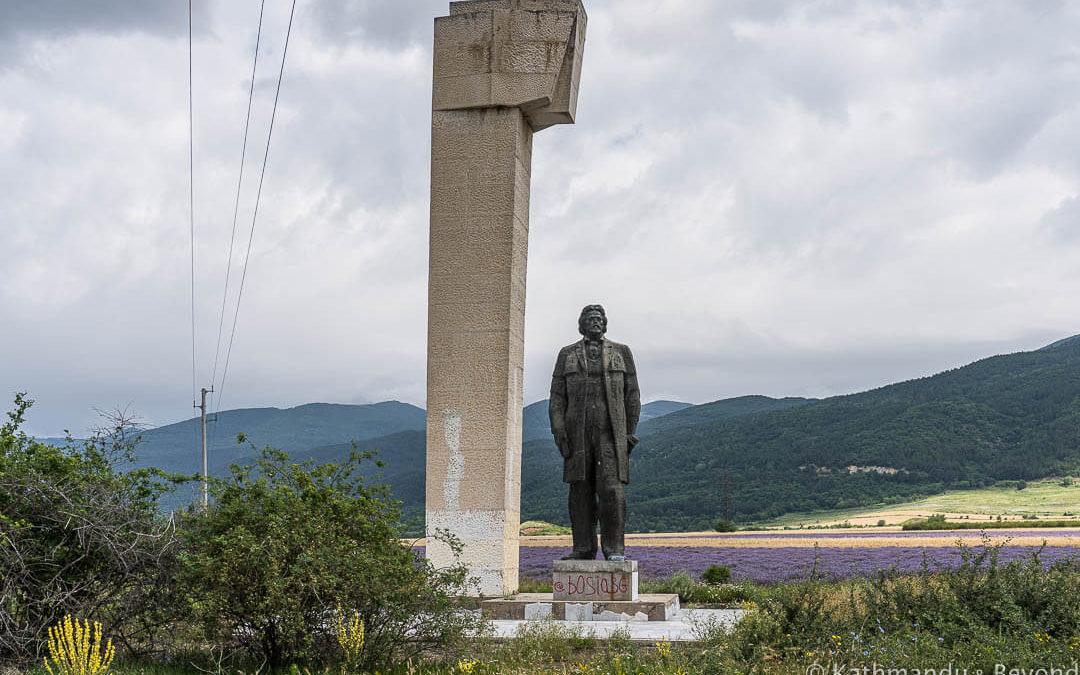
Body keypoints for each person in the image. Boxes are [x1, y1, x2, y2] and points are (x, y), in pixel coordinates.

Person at [549, 304, 640, 561]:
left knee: (611, 489)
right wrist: (559, 431)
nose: (595, 322)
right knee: (580, 490)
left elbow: (632, 395)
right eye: (590, 319)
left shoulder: (621, 352)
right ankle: (583, 548)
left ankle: (614, 549)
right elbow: (557, 397)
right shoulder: (566, 354)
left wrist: (629, 433)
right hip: (576, 435)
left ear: (605, 323)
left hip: (610, 434)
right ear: (582, 324)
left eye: (599, 318)